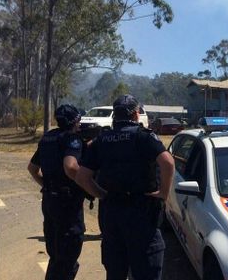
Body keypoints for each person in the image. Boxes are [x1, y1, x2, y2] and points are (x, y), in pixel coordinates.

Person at [75, 94, 175, 280]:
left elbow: (82, 176)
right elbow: (167, 163)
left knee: (115, 269)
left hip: (112, 211)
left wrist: (102, 195)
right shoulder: (143, 137)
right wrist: (163, 194)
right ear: (136, 114)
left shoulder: (101, 140)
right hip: (141, 212)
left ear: (115, 115)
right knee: (147, 268)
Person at [27, 104, 86, 280]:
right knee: (67, 258)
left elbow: (32, 168)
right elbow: (70, 167)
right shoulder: (72, 139)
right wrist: (89, 186)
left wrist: (47, 185)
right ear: (75, 121)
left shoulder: (48, 138)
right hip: (67, 205)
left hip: (50, 201)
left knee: (56, 256)